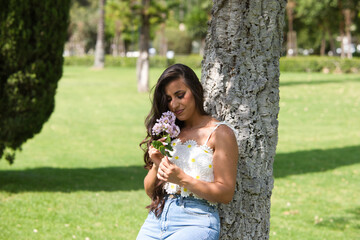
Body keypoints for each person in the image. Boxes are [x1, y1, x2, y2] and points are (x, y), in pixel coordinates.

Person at [137, 64, 238, 240]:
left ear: (196, 90)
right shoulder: (170, 132)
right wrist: (157, 163)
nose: (174, 104)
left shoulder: (220, 133)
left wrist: (182, 179)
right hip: (157, 218)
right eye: (168, 99)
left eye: (180, 95)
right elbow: (150, 191)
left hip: (196, 221)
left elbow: (226, 193)